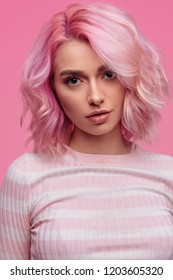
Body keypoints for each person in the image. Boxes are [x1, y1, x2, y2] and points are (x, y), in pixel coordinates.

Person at [0, 2, 173, 260]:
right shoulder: (27, 177)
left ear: (129, 77)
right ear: (52, 90)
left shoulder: (167, 175)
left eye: (109, 74)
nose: (95, 96)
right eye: (74, 80)